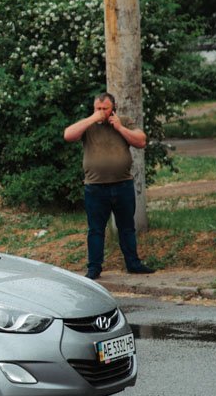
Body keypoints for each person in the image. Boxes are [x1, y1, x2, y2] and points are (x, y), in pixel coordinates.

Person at [62, 92, 156, 280]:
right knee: (96, 230)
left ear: (113, 108)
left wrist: (120, 127)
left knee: (126, 227)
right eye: (98, 108)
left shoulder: (124, 121)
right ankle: (94, 268)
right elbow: (68, 135)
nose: (101, 112)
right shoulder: (88, 125)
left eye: (105, 108)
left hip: (122, 185)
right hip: (95, 188)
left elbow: (141, 141)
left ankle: (133, 263)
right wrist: (92, 119)